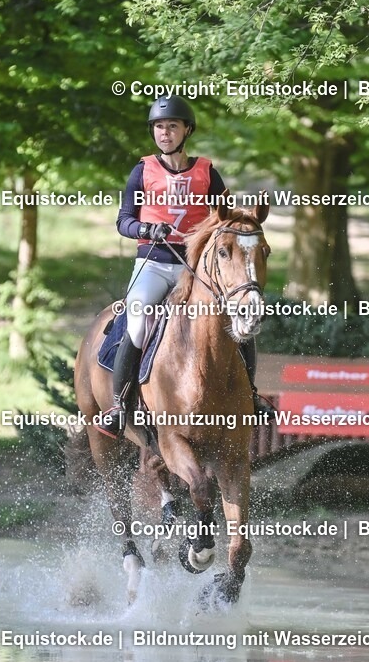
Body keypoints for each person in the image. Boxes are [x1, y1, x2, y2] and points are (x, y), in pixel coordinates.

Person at [98, 95, 274, 436]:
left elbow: (227, 220)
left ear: (186, 130)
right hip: (153, 263)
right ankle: (120, 405)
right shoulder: (142, 171)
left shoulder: (206, 172)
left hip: (193, 267)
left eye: (172, 127)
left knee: (235, 314)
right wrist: (147, 229)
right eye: (159, 127)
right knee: (139, 317)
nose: (165, 133)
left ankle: (250, 396)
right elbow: (123, 221)